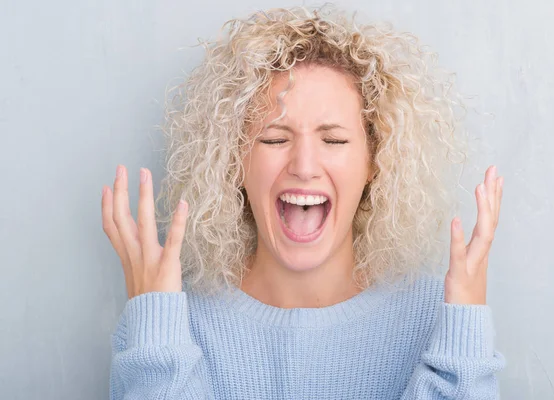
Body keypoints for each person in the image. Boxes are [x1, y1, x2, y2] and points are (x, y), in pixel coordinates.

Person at [101, 5, 506, 399]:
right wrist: (155, 327)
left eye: (334, 140)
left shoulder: (442, 317)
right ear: (233, 160)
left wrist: (462, 343)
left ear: (375, 162)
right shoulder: (165, 319)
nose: (305, 166)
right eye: (275, 139)